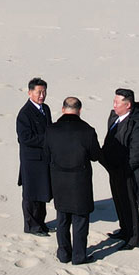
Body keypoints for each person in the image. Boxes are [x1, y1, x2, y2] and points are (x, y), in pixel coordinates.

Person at [43, 97, 103, 265]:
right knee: (80, 220)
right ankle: (79, 255)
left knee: (62, 219)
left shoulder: (51, 130)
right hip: (80, 182)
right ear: (80, 110)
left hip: (59, 181)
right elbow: (95, 156)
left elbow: (46, 154)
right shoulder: (87, 131)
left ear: (63, 109)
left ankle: (63, 253)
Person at [99, 88, 139, 249]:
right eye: (114, 101)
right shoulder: (115, 118)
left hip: (128, 172)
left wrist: (125, 169)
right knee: (119, 200)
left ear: (128, 105)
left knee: (129, 203)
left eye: (117, 102)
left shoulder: (138, 125)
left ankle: (133, 238)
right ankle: (124, 230)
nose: (114, 105)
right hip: (114, 169)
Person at [15, 78, 53, 236]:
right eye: (39, 92)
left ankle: (41, 223)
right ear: (30, 92)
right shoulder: (25, 113)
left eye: (44, 92)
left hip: (43, 159)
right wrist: (48, 140)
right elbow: (25, 138)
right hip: (31, 160)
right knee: (31, 194)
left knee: (42, 191)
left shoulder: (46, 109)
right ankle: (31, 226)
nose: (42, 95)